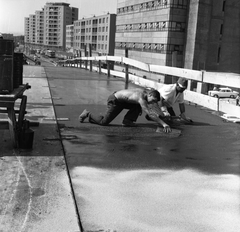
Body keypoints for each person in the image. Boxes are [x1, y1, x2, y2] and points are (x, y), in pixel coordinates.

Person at [79, 88, 171, 133]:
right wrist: (163, 123)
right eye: (153, 100)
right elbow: (150, 114)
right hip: (115, 100)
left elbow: (154, 107)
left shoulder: (146, 93)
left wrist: (162, 114)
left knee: (139, 106)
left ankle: (127, 121)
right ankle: (88, 114)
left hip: (124, 100)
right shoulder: (141, 98)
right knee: (104, 122)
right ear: (150, 95)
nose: (152, 103)